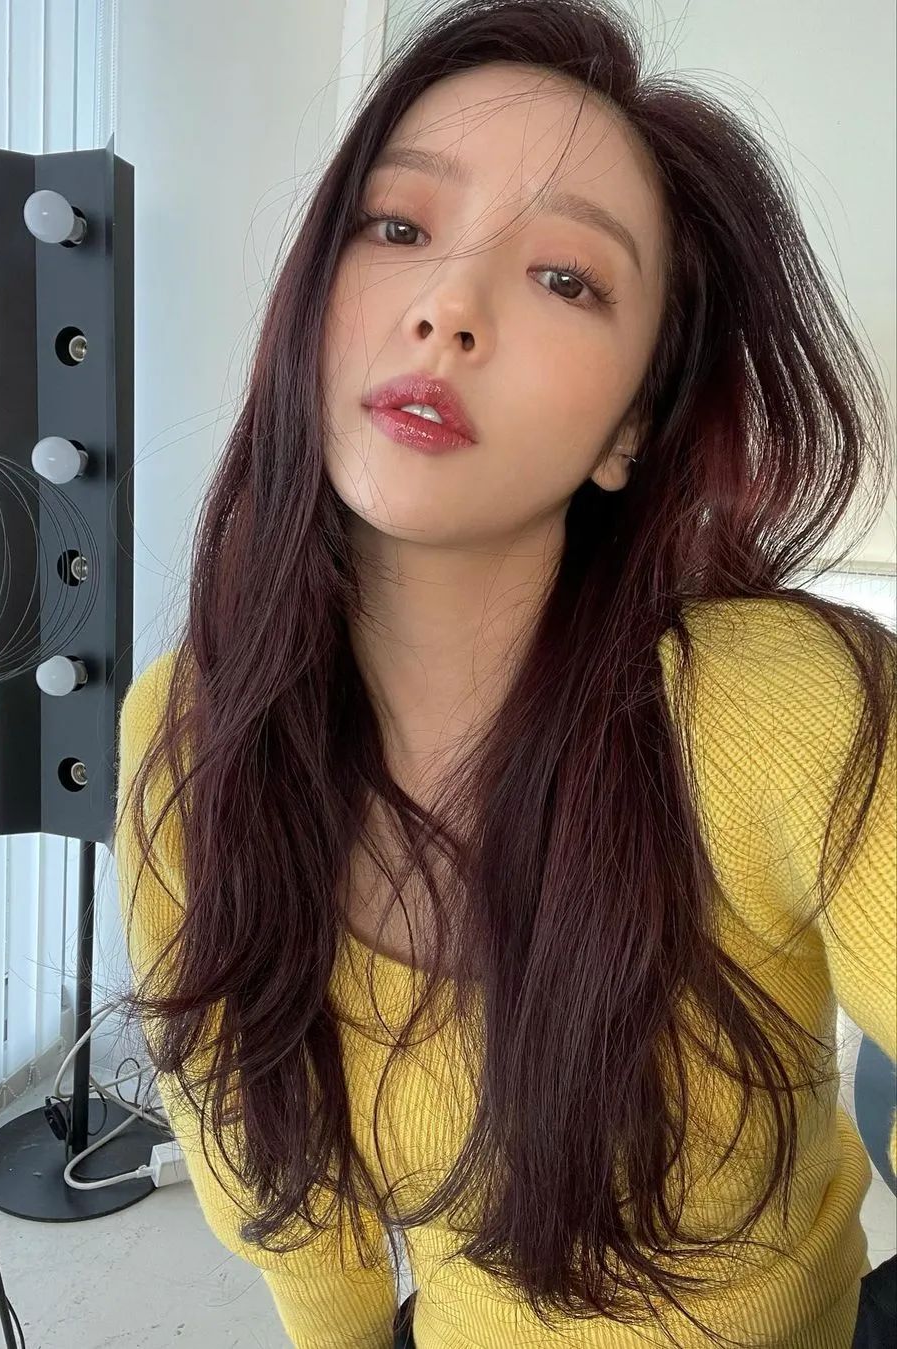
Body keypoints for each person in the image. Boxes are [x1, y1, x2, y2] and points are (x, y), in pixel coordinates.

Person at [112, 2, 896, 1345]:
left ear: (628, 429)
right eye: (397, 227)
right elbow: (286, 1206)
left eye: (566, 279)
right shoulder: (193, 729)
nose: (449, 309)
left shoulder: (794, 712)